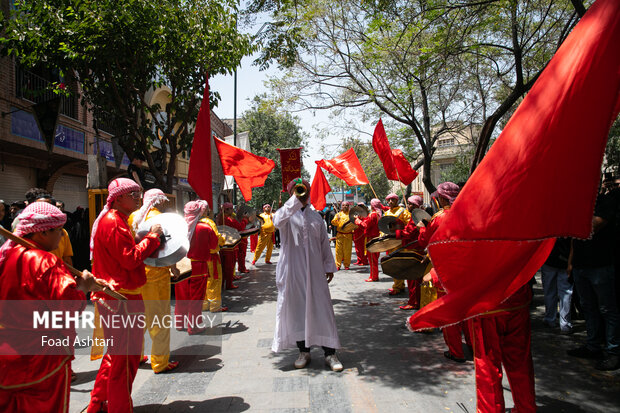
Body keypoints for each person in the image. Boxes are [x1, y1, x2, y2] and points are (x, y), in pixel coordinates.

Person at [0, 202, 102, 413]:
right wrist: (84, 287)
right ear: (43, 232)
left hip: (8, 353)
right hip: (43, 356)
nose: (63, 236)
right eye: (59, 231)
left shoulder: (8, 256)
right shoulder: (46, 261)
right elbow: (67, 306)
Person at [86, 178, 163, 413]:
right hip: (122, 298)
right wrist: (152, 238)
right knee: (125, 360)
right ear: (118, 198)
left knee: (116, 356)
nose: (138, 198)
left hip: (118, 296)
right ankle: (119, 407)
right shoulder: (114, 222)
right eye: (133, 194)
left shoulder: (117, 219)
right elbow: (129, 259)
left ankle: (98, 403)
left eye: (139, 194)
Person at [272, 178, 343, 372]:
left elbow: (324, 244)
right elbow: (277, 222)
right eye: (297, 191)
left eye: (303, 190)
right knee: (297, 311)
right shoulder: (285, 215)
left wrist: (329, 265)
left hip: (315, 272)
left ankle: (330, 353)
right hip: (293, 272)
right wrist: (294, 201)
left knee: (323, 309)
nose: (302, 194)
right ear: (291, 194)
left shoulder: (316, 217)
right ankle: (304, 351)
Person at [416, 182, 471, 363]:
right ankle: (474, 345)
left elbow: (425, 241)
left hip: (445, 270)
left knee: (449, 312)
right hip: (466, 269)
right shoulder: (467, 213)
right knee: (467, 311)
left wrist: (422, 227)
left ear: (440, 198)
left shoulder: (439, 218)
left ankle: (456, 351)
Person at [127, 189, 179, 374]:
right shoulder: (160, 219)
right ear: (158, 201)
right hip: (156, 275)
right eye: (163, 200)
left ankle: (138, 355)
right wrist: (174, 268)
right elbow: (167, 249)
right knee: (159, 319)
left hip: (136, 273)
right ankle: (160, 362)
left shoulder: (133, 216)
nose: (165, 203)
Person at [567, 190, 620, 371]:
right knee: (588, 307)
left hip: (601, 265)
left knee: (607, 308)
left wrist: (573, 221)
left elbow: (591, 226)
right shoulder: (577, 204)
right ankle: (593, 346)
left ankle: (613, 351)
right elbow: (574, 237)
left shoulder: (605, 202)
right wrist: (571, 262)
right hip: (581, 266)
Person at [176, 200, 227, 335]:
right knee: (196, 298)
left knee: (181, 296)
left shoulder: (178, 226)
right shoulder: (205, 228)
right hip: (198, 266)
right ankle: (193, 326)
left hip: (180, 266)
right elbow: (213, 246)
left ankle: (180, 322)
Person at [395, 195, 425, 310]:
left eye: (411, 204)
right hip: (415, 249)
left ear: (417, 205)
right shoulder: (416, 215)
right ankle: (416, 300)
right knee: (415, 279)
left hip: (413, 250)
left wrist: (397, 230)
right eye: (408, 203)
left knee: (413, 279)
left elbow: (409, 233)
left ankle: (414, 302)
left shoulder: (416, 217)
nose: (409, 205)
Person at [540, 238, 573, 334]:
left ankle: (550, 319)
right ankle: (565, 324)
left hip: (550, 259)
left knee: (550, 291)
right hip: (564, 260)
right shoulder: (570, 225)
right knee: (566, 293)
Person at [384, 193, 411, 295]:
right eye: (389, 200)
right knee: (392, 264)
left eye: (393, 200)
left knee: (398, 263)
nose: (390, 202)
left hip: (400, 242)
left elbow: (409, 225)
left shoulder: (403, 212)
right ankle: (398, 284)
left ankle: (398, 286)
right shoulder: (386, 213)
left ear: (397, 201)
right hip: (390, 241)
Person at [355, 199, 383, 282]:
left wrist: (358, 221)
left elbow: (365, 225)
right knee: (373, 259)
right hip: (376, 237)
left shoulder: (373, 215)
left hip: (371, 239)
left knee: (372, 259)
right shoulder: (378, 214)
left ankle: (374, 276)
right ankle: (373, 275)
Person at [218, 202, 241, 289]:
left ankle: (222, 283)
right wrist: (244, 220)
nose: (233, 210)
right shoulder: (228, 219)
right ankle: (229, 284)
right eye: (231, 209)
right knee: (229, 266)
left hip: (222, 245)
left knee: (223, 266)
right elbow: (240, 227)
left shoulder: (220, 218)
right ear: (227, 210)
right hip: (230, 245)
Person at [331, 201, 357, 270]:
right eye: (343, 205)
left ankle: (347, 265)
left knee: (347, 251)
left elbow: (355, 225)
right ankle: (337, 265)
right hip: (340, 235)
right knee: (338, 251)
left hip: (348, 235)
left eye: (346, 205)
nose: (345, 207)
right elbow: (333, 222)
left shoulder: (352, 215)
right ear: (341, 206)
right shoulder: (338, 214)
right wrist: (337, 220)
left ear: (349, 207)